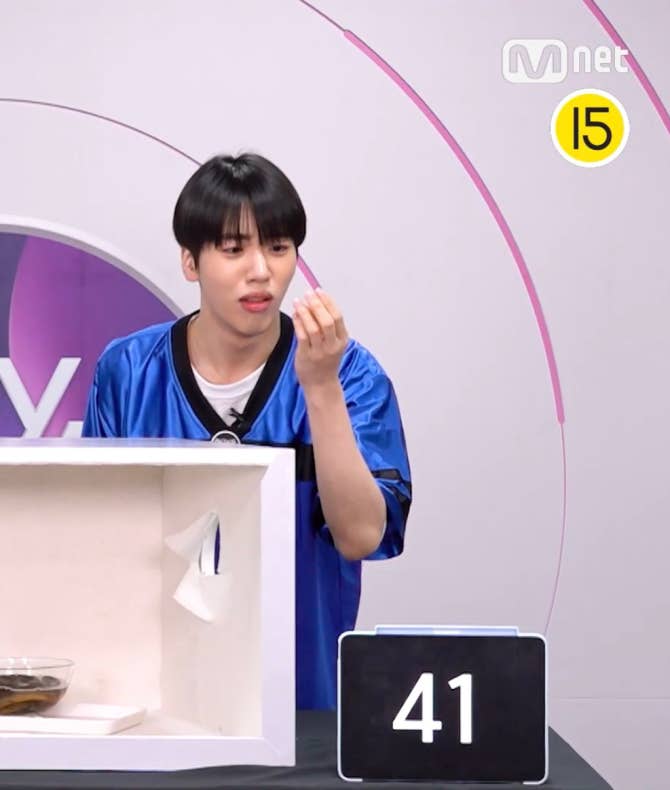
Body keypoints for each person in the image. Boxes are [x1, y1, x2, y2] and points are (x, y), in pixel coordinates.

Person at [82, 153, 411, 709]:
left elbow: (360, 537)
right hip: (153, 698)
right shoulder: (128, 371)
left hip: (303, 701)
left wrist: (320, 387)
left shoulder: (350, 374)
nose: (261, 270)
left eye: (278, 248)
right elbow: (98, 541)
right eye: (234, 249)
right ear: (190, 261)